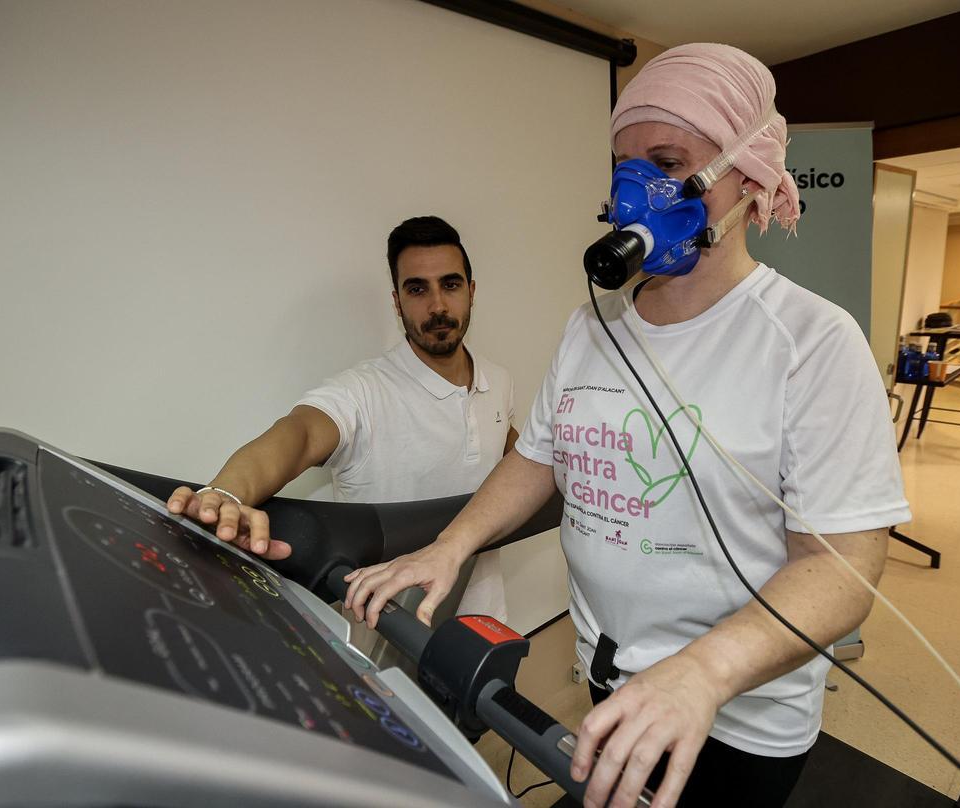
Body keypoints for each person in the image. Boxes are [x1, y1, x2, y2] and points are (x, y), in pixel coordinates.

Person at [342, 44, 910, 808]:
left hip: (735, 715)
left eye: (668, 160)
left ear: (747, 175)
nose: (639, 189)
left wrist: (705, 672)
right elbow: (539, 457)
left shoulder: (810, 341)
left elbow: (841, 569)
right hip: (610, 680)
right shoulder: (592, 326)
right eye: (623, 165)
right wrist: (452, 548)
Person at [167, 215, 517, 630]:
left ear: (472, 292)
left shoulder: (500, 381)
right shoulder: (362, 391)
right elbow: (299, 433)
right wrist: (227, 492)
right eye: (417, 289)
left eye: (451, 284)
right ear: (397, 301)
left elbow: (516, 458)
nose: (438, 305)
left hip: (487, 620)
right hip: (389, 636)